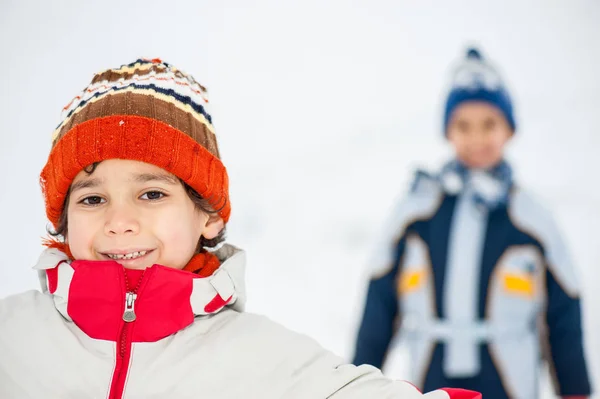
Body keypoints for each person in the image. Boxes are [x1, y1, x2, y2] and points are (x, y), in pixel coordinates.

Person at [0, 58, 481, 399]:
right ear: (63, 221)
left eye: (152, 194)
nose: (119, 222)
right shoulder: (13, 339)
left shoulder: (261, 358)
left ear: (207, 215)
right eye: (92, 198)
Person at [352, 48, 593, 399]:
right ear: (448, 130)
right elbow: (379, 302)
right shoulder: (416, 213)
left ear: (509, 129)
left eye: (489, 125)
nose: (477, 138)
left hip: (509, 385)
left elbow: (564, 312)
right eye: (463, 126)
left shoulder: (532, 219)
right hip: (431, 382)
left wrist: (575, 391)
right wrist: (358, 381)